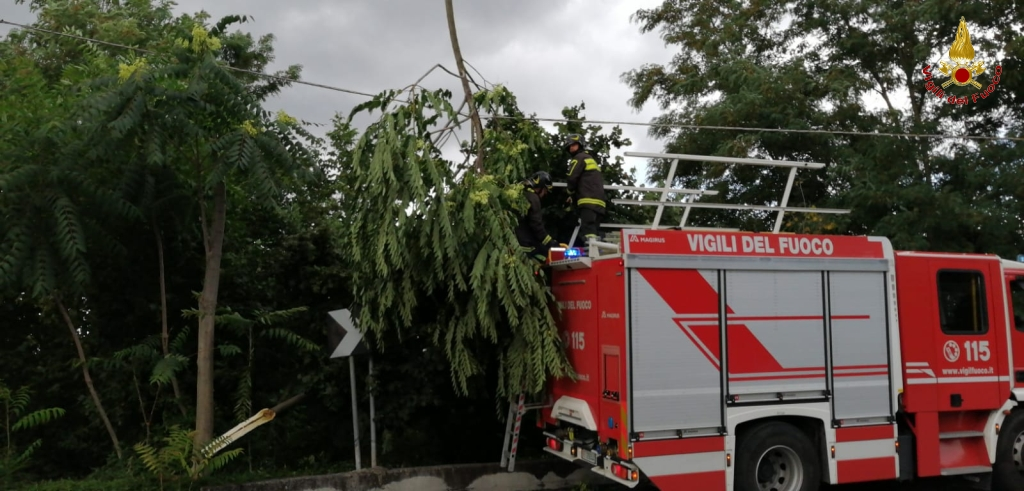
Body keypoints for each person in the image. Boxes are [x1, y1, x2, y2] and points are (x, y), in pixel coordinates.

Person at [563, 134, 606, 246]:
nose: (571, 147)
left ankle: (590, 252)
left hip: (588, 200)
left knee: (588, 230)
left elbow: (572, 177)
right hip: (599, 202)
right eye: (569, 146)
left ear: (580, 145)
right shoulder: (590, 159)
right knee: (594, 230)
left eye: (574, 145)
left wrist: (569, 193)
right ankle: (596, 249)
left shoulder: (579, 158)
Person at [515, 171, 564, 263]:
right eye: (546, 190)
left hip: (514, 241)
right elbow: (536, 226)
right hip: (525, 246)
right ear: (541, 187)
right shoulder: (533, 198)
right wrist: (551, 243)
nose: (545, 194)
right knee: (546, 259)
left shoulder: (520, 194)